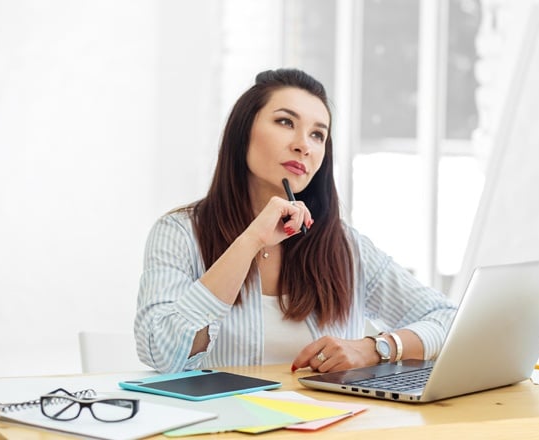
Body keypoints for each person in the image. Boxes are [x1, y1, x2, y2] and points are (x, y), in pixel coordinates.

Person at [135, 68, 457, 374]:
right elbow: (162, 353)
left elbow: (447, 319)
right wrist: (250, 241)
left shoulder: (345, 246)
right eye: (286, 122)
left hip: (326, 427)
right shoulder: (179, 234)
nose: (304, 145)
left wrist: (377, 348)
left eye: (318, 134)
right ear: (242, 132)